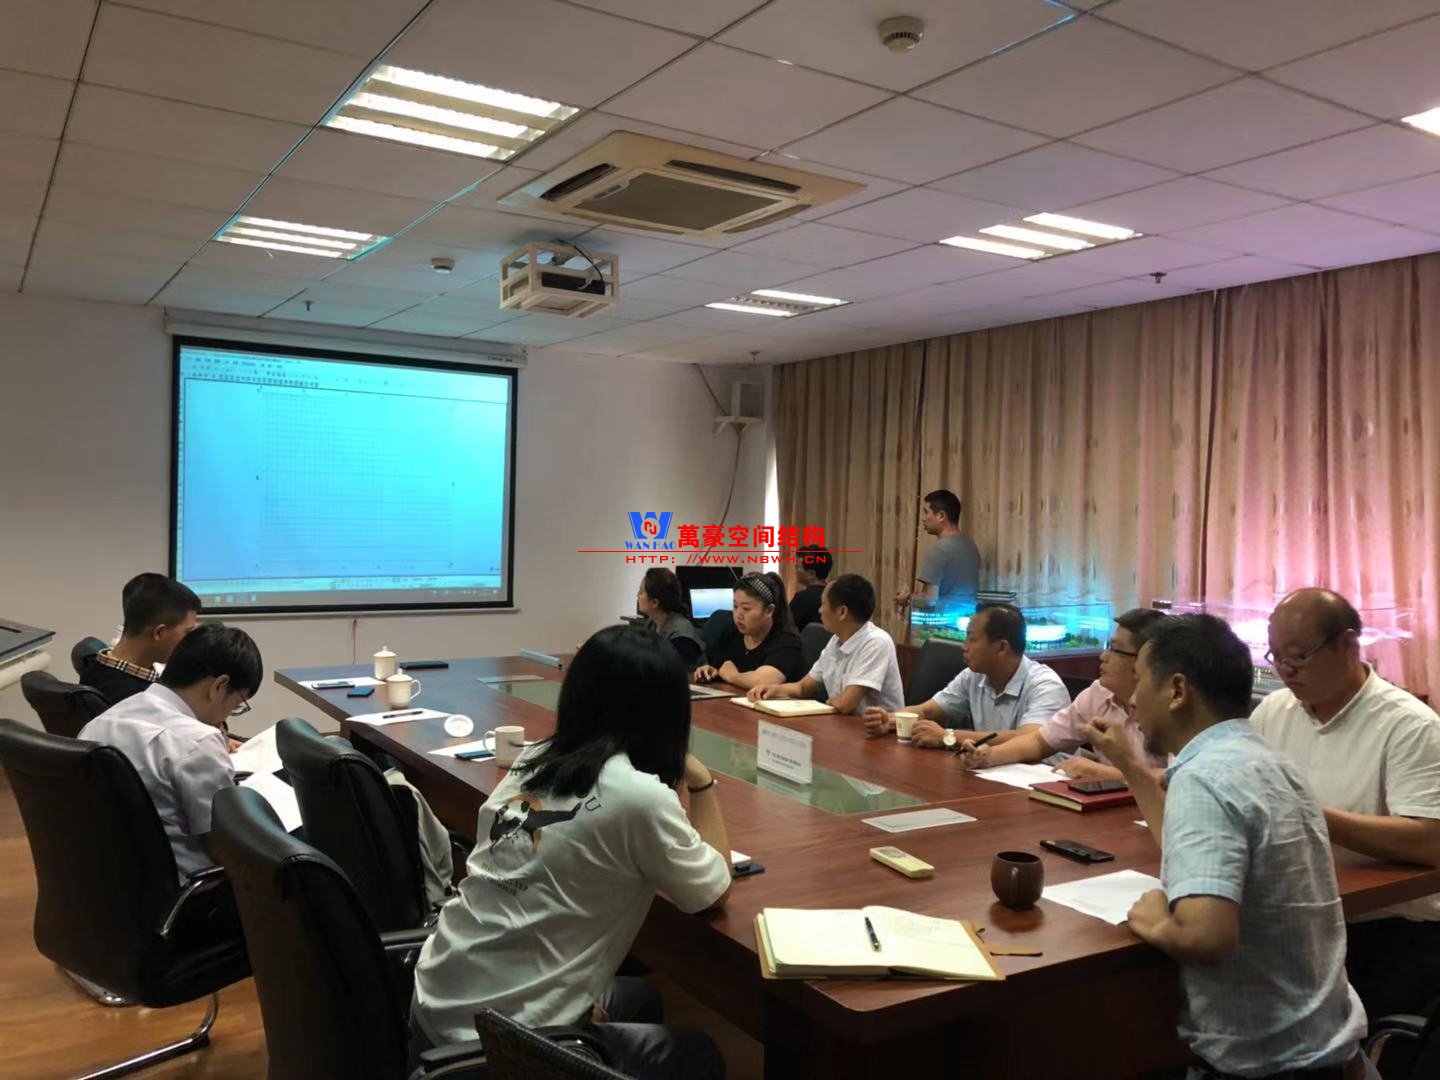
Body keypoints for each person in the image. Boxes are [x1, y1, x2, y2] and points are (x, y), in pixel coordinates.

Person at [411, 624, 730, 1080]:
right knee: (699, 1053)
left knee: (641, 998)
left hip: (436, 1000)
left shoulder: (534, 759)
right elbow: (712, 889)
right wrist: (701, 782)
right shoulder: (638, 797)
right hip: (494, 1049)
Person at [1087, 614, 1374, 1080]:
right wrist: (1130, 766)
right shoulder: (1269, 761)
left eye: (1140, 682)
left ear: (1177, 691)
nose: (1133, 700)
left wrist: (1156, 919)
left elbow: (1206, 936)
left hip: (1264, 1066)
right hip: (1331, 1052)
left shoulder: (1204, 777)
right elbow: (1184, 845)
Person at [1251, 588, 1440, 1022]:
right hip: (1300, 916)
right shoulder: (1275, 710)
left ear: (1348, 644)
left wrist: (1312, 814)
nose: (1285, 670)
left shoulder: (1408, 726)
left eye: (1298, 656)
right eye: (1276, 656)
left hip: (1389, 929)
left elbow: (1431, 841)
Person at [79, 623, 260, 881]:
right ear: (219, 686)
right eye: (236, 705)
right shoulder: (198, 741)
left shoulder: (101, 722)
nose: (229, 714)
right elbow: (222, 842)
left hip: (110, 879)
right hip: (192, 889)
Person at [963, 608, 1169, 779]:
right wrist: (989, 756)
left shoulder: (1169, 706)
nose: (1103, 656)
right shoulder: (1099, 693)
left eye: (1114, 650)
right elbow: (1040, 741)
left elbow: (1176, 778)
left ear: (1144, 660)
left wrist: (1104, 773)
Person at [866, 604, 1068, 750]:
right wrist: (889, 721)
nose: (964, 647)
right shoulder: (973, 676)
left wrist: (948, 736)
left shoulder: (1045, 686)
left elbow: (1029, 739)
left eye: (971, 639)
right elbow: (926, 710)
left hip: (1044, 783)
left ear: (1001, 647)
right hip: (993, 772)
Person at [749, 573, 903, 715]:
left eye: (823, 604)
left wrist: (830, 703)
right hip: (843, 725)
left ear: (842, 612)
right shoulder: (836, 640)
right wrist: (773, 690)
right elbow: (803, 688)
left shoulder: (876, 642)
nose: (820, 610)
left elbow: (845, 704)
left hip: (875, 732)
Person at [78, 573, 201, 705]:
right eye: (187, 632)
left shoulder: (93, 669)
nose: (190, 640)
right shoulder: (138, 700)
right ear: (159, 633)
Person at [693, 572, 806, 689]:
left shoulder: (788, 642)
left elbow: (764, 681)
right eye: (735, 606)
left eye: (746, 609)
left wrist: (733, 676)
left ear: (769, 610)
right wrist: (712, 671)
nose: (738, 615)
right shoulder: (730, 633)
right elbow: (722, 669)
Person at [894, 489, 980, 626]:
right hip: (967, 625)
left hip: (940, 627)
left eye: (926, 512)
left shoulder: (939, 550)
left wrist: (907, 598)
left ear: (941, 516)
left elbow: (929, 600)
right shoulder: (971, 547)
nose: (923, 518)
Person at [636, 567, 706, 671]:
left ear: (654, 602)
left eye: (641, 591)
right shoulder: (653, 623)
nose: (637, 595)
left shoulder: (681, 637)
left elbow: (674, 674)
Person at [790, 544, 832, 631]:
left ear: (811, 574)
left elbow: (785, 629)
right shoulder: (835, 596)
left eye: (798, 567)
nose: (795, 570)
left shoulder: (801, 599)